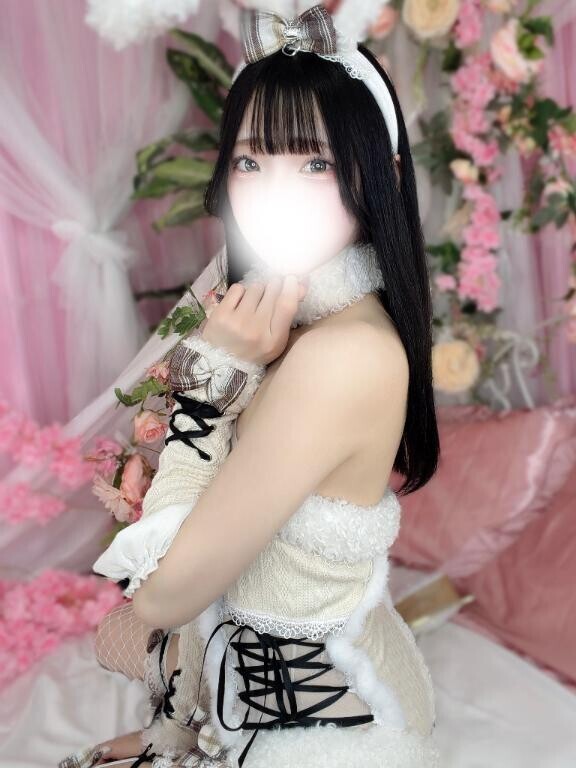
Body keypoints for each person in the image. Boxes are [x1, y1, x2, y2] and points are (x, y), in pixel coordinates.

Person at [58, 4, 442, 767]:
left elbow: (163, 598)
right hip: (244, 699)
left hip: (333, 731)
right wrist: (180, 726)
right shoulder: (280, 314)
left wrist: (208, 383)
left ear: (381, 175)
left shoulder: (345, 355)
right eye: (250, 161)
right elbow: (235, 576)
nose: (274, 193)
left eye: (315, 163)